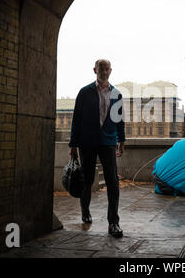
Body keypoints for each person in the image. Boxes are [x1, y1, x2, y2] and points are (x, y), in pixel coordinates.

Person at [68, 59, 125, 238]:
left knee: (112, 182)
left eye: (107, 68)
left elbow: (119, 120)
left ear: (111, 71)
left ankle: (113, 223)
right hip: (87, 142)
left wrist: (121, 140)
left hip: (108, 141)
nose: (104, 71)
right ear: (95, 70)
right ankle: (85, 210)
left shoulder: (117, 94)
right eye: (101, 68)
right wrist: (73, 145)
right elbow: (76, 119)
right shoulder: (85, 93)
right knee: (87, 179)